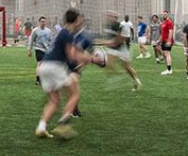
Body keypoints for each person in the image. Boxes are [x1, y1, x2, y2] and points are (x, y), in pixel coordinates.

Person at [35, 9, 91, 140]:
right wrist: (91, 58)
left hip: (44, 67)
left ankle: (41, 127)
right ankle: (62, 124)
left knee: (54, 101)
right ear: (76, 20)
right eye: (80, 19)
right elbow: (72, 56)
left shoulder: (62, 32)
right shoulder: (67, 33)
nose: (81, 22)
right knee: (75, 93)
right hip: (55, 66)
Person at [101, 12, 142, 92]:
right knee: (108, 64)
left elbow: (120, 39)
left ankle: (137, 81)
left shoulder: (118, 25)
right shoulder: (107, 25)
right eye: (109, 16)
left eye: (112, 16)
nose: (109, 18)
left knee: (127, 67)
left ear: (115, 18)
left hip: (122, 48)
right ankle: (118, 78)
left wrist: (109, 43)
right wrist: (108, 43)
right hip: (113, 49)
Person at [29, 16, 53, 86]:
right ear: (39, 22)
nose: (43, 23)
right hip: (38, 49)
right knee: (39, 64)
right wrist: (29, 50)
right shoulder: (35, 30)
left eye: (44, 21)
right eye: (42, 21)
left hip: (47, 50)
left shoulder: (48, 31)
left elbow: (51, 40)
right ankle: (38, 80)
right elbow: (31, 40)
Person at [158, 11, 175, 76]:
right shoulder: (163, 23)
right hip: (163, 41)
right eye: (163, 14)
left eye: (165, 14)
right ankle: (168, 68)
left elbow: (171, 32)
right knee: (164, 54)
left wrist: (169, 41)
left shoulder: (169, 22)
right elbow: (162, 33)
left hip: (167, 41)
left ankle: (169, 70)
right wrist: (159, 40)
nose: (164, 15)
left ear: (167, 15)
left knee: (167, 54)